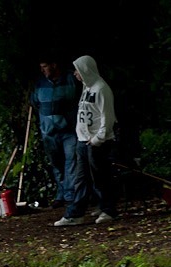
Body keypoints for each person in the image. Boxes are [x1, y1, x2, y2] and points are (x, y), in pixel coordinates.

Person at [54, 55, 118, 226]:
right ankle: (77, 213)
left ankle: (108, 209)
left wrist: (98, 139)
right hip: (83, 141)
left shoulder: (101, 89)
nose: (75, 73)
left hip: (97, 143)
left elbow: (107, 117)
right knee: (81, 178)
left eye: (78, 70)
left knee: (100, 177)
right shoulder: (86, 88)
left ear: (85, 70)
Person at [30, 56, 79, 208]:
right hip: (49, 132)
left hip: (69, 130)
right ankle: (62, 193)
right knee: (57, 164)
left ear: (54, 65)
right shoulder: (40, 83)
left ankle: (69, 195)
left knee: (71, 161)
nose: (42, 70)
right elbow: (35, 103)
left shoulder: (71, 79)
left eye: (45, 66)